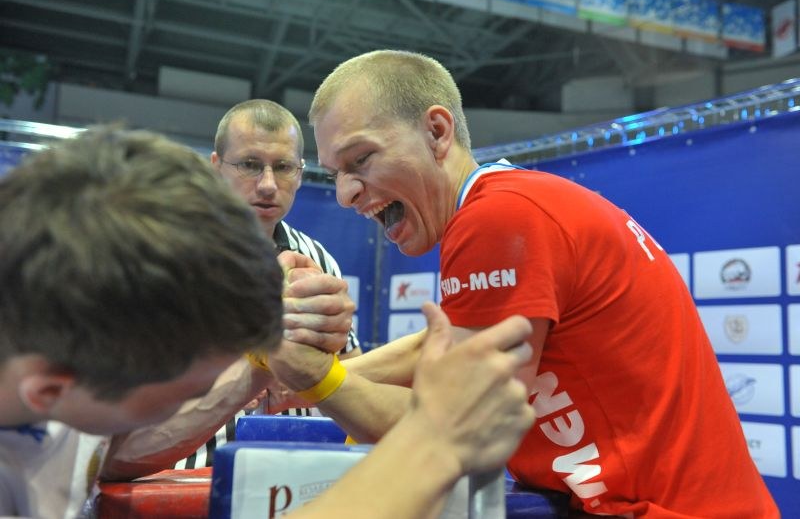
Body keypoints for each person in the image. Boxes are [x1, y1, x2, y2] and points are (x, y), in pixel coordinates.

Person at [281, 49, 779, 518]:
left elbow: (457, 431)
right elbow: (451, 345)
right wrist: (299, 385)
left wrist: (319, 380)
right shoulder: (512, 202)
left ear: (437, 131)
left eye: (361, 159)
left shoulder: (496, 219)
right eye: (335, 172)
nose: (345, 193)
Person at [0, 126, 536, 518]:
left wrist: (262, 363)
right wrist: (431, 447)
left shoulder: (58, 354)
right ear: (51, 390)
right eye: (191, 385)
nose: (266, 184)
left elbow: (110, 454)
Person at [174, 99, 363, 470]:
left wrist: (309, 379)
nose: (267, 184)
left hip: (298, 477)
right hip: (187, 477)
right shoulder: (168, 254)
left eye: (283, 167)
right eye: (249, 165)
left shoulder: (320, 259)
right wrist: (238, 377)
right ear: (216, 168)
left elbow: (350, 364)